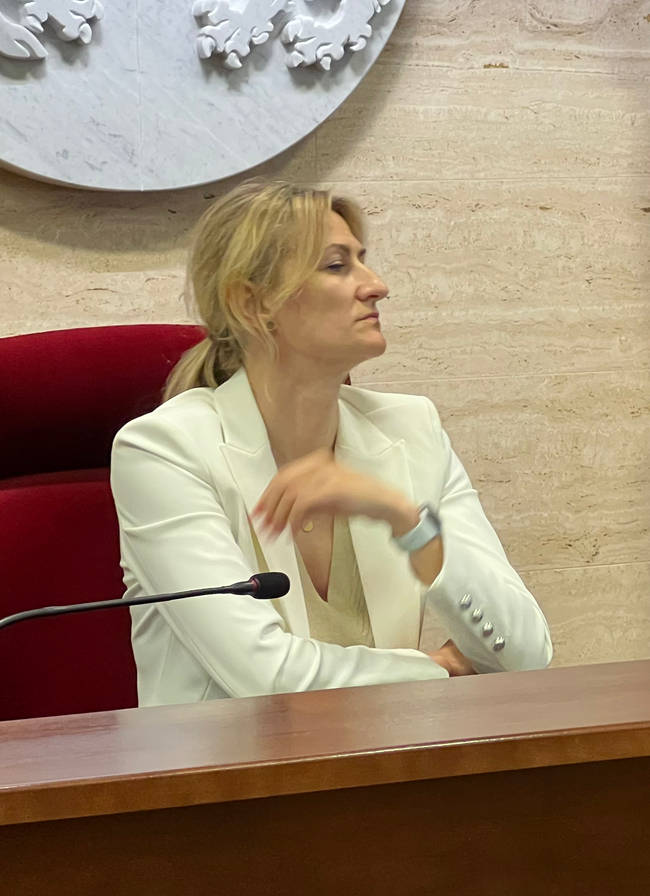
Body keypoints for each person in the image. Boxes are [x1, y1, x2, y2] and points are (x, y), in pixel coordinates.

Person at [112, 179, 552, 705]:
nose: (377, 286)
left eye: (363, 261)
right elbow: (266, 678)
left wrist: (406, 520)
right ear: (253, 302)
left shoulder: (411, 428)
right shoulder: (164, 450)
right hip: (227, 757)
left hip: (385, 755)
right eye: (338, 265)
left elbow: (525, 655)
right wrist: (435, 669)